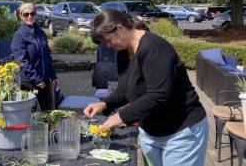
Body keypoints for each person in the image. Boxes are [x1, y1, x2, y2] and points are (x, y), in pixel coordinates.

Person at [84, 9, 208, 166]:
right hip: (151, 132)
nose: (108, 46)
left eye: (108, 40)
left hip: (181, 133)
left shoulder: (154, 48)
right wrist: (104, 104)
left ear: (120, 29)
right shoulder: (123, 52)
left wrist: (120, 117)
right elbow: (125, 88)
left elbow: (159, 95)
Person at [11, 3, 59, 111]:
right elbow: (22, 61)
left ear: (35, 14)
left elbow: (47, 56)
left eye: (32, 13)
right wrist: (36, 80)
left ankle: (49, 129)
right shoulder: (19, 35)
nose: (29, 17)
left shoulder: (40, 32)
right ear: (21, 16)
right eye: (26, 14)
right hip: (28, 82)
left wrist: (53, 76)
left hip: (44, 79)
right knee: (28, 114)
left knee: (48, 112)